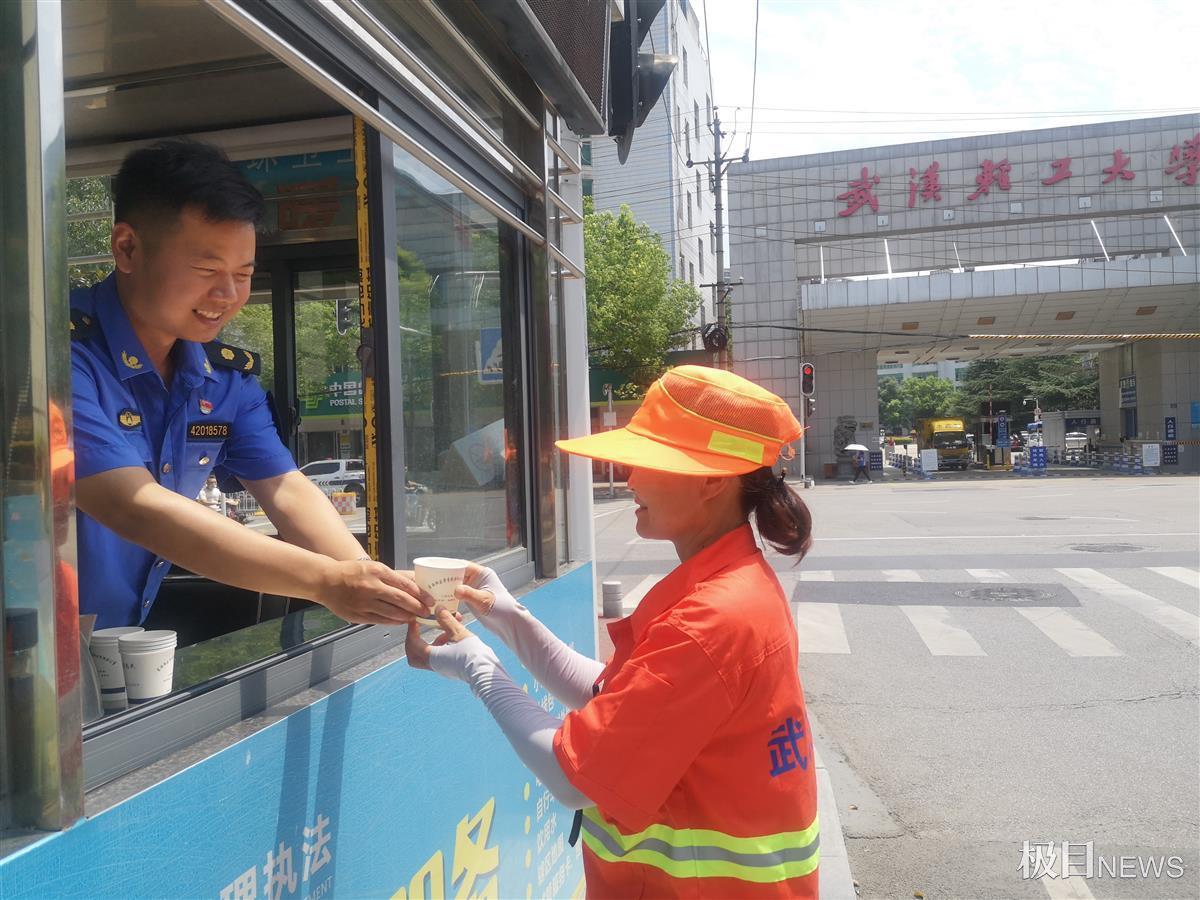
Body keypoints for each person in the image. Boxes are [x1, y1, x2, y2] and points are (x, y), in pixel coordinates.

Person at [406, 366, 820, 898]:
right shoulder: (728, 586)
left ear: (714, 480)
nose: (629, 479)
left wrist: (476, 666)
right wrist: (505, 614)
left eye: (647, 462)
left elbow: (571, 777)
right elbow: (616, 699)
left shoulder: (710, 620)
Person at [71, 138, 427, 630]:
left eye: (243, 274)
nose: (229, 295)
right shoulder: (54, 357)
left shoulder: (225, 378)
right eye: (206, 270)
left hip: (116, 644)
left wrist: (369, 581)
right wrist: (326, 582)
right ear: (127, 248)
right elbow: (130, 505)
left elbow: (284, 488)